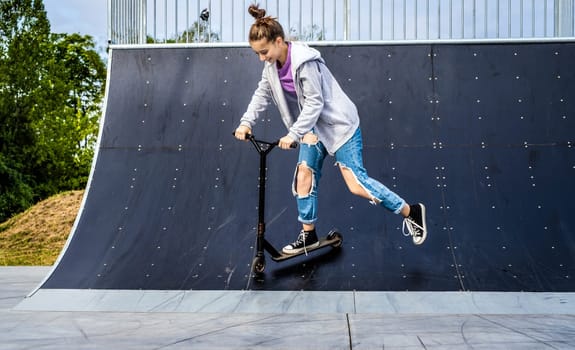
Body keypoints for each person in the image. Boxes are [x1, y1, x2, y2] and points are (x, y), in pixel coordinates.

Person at [234, 4, 428, 255]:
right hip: (313, 127)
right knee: (304, 174)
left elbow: (315, 102)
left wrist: (293, 134)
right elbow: (262, 93)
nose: (262, 58)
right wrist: (246, 121)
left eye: (264, 51)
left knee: (356, 184)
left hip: (339, 126)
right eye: (257, 54)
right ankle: (308, 234)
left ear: (279, 41)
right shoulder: (271, 67)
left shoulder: (305, 62)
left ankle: (410, 212)